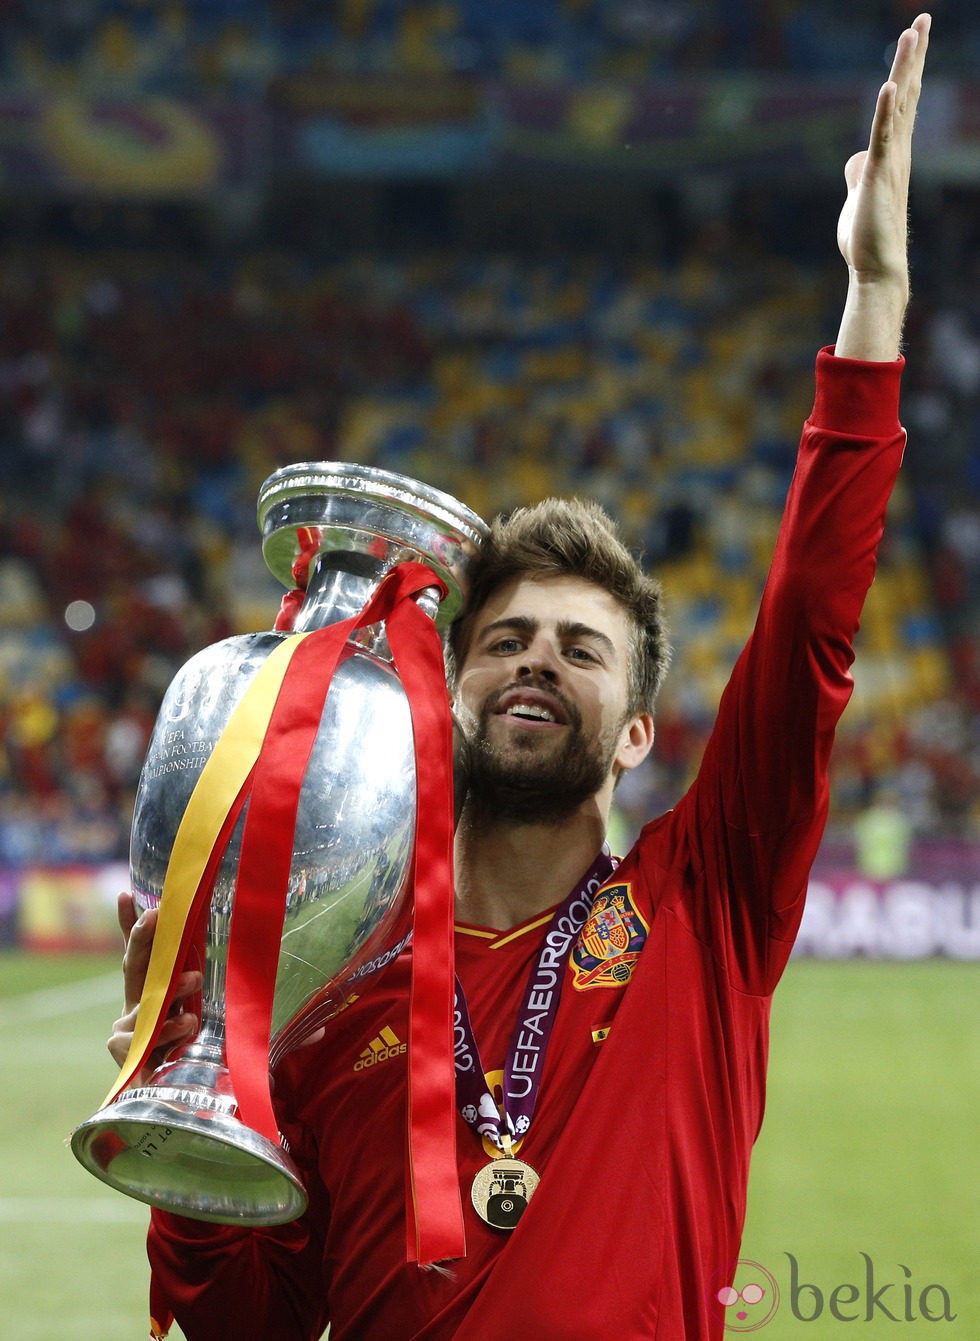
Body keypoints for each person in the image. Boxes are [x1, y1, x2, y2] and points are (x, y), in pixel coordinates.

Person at [108, 15, 931, 1339]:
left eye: (581, 646)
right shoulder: (330, 998)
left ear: (633, 736)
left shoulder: (702, 909)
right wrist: (193, 1118)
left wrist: (875, 302)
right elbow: (246, 1325)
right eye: (505, 640)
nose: (539, 655)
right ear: (442, 695)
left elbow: (812, 626)